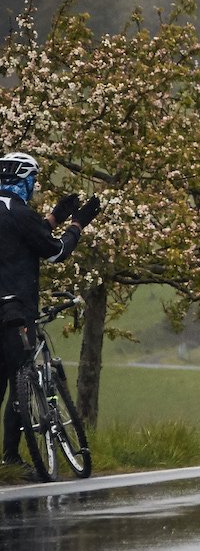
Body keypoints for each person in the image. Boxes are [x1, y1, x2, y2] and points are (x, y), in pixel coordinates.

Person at [1, 152, 99, 473]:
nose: (34, 187)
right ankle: (13, 456)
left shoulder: (10, 213)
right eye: (33, 181)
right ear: (23, 180)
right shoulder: (20, 212)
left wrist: (53, 218)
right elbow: (55, 252)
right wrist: (76, 225)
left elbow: (17, 240)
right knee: (21, 378)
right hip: (15, 310)